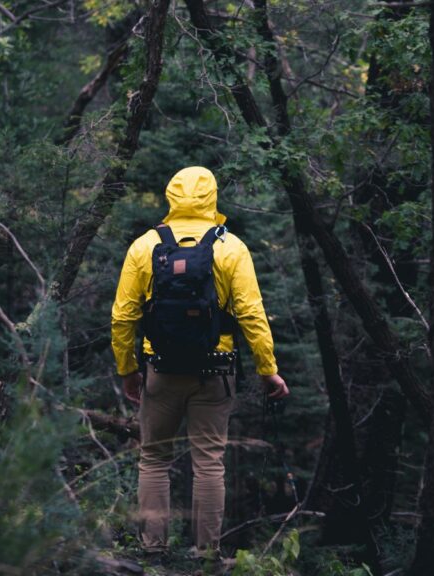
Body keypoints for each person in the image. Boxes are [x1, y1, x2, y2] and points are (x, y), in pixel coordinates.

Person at [111, 166, 290, 558]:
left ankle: (152, 549)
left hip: (160, 370)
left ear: (171, 196)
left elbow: (123, 316)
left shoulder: (145, 246)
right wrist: (268, 369)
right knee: (208, 463)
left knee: (154, 459)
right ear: (212, 197)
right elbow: (251, 314)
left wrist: (128, 370)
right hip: (216, 372)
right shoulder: (231, 247)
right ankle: (206, 555)